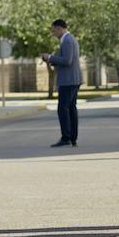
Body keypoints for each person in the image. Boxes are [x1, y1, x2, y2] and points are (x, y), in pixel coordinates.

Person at [42, 19, 81, 147]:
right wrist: (52, 60)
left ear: (60, 28)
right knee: (71, 108)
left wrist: (50, 58)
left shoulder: (67, 40)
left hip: (68, 81)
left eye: (54, 30)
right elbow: (65, 60)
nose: (53, 33)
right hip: (72, 79)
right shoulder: (69, 39)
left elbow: (67, 60)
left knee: (63, 109)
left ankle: (66, 137)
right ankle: (72, 137)